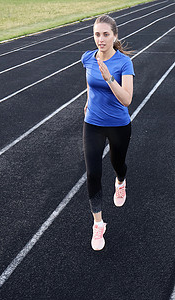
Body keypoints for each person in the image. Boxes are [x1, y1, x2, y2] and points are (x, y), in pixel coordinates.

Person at [81, 15, 135, 251]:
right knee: (92, 173)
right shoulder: (87, 58)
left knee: (118, 164)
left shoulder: (124, 63)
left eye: (105, 34)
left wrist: (109, 78)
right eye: (96, 34)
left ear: (114, 36)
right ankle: (98, 223)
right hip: (92, 122)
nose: (100, 39)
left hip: (118, 124)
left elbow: (127, 99)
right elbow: (89, 83)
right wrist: (87, 100)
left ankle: (121, 181)